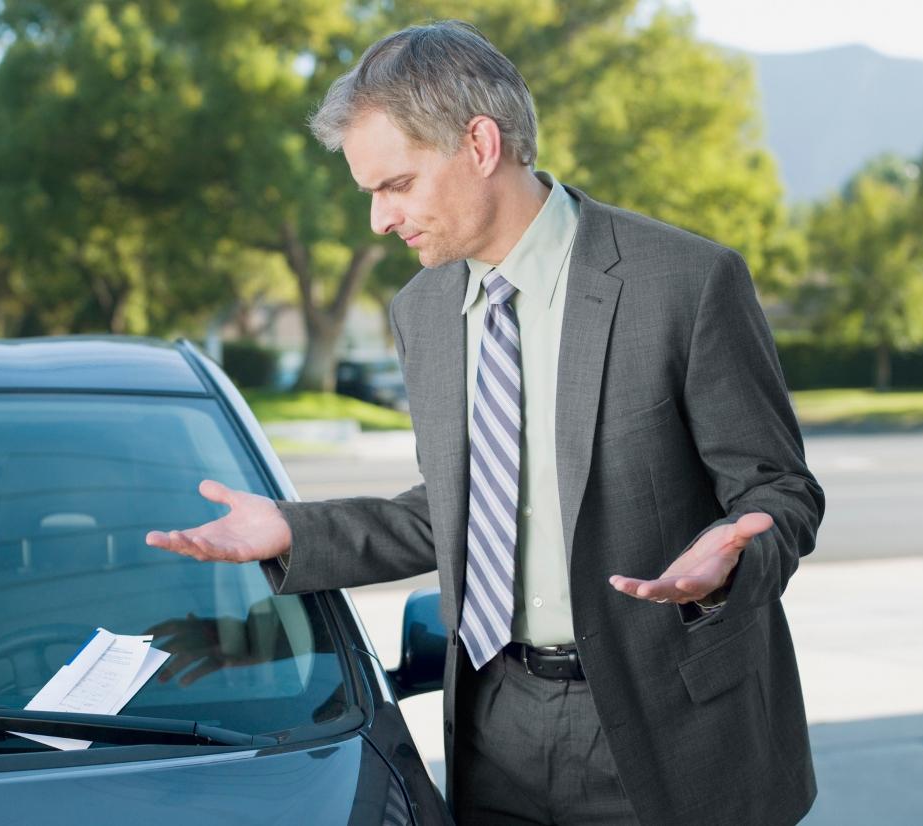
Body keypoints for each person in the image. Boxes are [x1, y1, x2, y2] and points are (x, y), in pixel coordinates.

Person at [147, 20, 824, 826]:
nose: (378, 219)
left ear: (479, 143)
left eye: (394, 185)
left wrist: (733, 564)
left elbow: (780, 490)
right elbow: (462, 511)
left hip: (668, 728)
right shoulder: (423, 309)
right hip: (492, 726)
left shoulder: (685, 281)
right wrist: (291, 532)